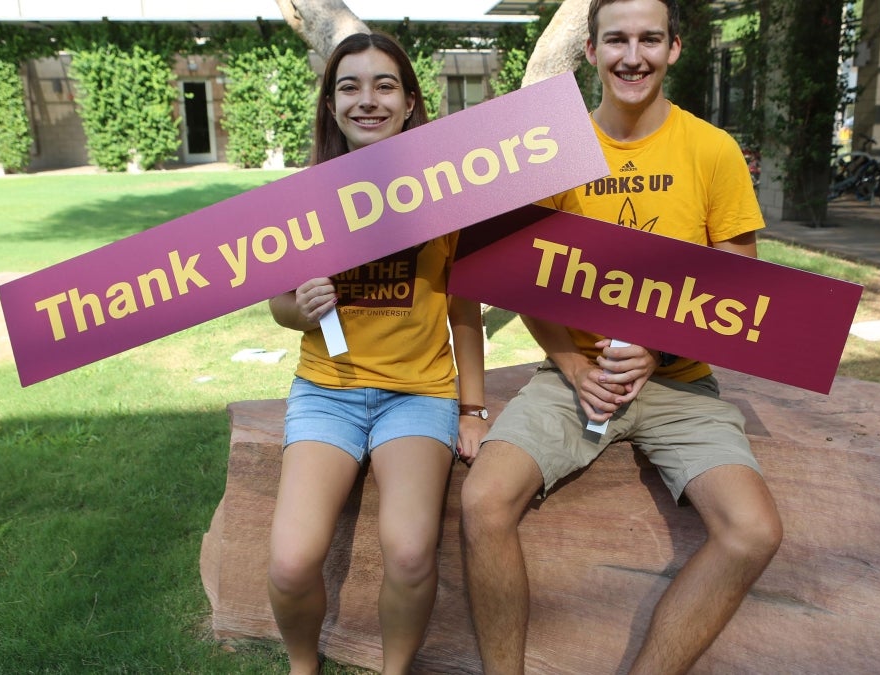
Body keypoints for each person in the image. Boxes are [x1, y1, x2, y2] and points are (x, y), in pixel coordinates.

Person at [459, 1, 783, 673]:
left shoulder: (712, 150)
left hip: (680, 380)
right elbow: (525, 275)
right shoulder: (548, 150)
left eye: (648, 39)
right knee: (483, 500)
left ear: (674, 49)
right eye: (616, 40)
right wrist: (573, 364)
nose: (632, 55)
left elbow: (743, 290)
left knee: (753, 531)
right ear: (590, 52)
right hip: (574, 376)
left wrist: (661, 348)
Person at [266, 32, 487, 675]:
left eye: (384, 85)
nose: (368, 100)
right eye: (350, 86)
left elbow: (463, 304)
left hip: (416, 395)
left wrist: (471, 407)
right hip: (326, 391)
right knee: (289, 560)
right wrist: (298, 306)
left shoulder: (449, 190)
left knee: (411, 551)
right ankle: (303, 666)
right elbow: (278, 306)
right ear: (331, 105)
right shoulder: (301, 195)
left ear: (411, 101)